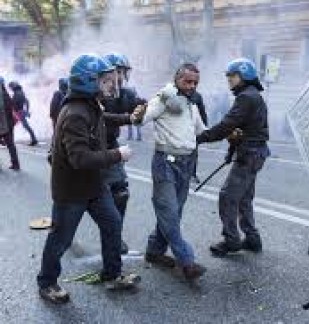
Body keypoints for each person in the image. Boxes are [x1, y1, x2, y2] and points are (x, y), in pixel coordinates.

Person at [37, 54, 142, 304]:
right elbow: (80, 159)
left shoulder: (89, 106)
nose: (111, 84)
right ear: (88, 82)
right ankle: (47, 282)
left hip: (95, 186)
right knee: (60, 239)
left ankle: (112, 275)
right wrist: (118, 154)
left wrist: (130, 118)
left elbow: (103, 120)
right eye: (105, 80)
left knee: (113, 223)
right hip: (72, 191)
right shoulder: (75, 113)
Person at [197, 58, 270, 257]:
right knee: (244, 198)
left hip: (250, 154)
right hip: (254, 153)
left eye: (233, 76)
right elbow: (240, 130)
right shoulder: (252, 95)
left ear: (244, 76)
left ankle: (231, 240)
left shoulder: (246, 97)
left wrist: (201, 138)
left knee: (227, 197)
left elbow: (228, 125)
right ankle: (252, 239)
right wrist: (231, 152)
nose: (229, 80)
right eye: (228, 76)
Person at [141, 63, 207, 280]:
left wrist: (230, 133)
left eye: (195, 82)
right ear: (177, 79)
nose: (191, 86)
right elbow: (142, 118)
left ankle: (154, 250)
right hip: (165, 163)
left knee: (173, 212)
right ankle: (186, 261)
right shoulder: (163, 98)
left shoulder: (192, 104)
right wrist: (138, 113)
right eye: (187, 81)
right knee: (169, 212)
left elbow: (201, 132)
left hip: (185, 165)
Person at [103, 52, 147, 254]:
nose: (119, 77)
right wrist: (127, 118)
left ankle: (115, 238)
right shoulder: (94, 92)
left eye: (122, 72)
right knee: (74, 203)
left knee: (120, 192)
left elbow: (142, 104)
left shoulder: (126, 94)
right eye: (116, 72)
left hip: (110, 146)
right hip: (86, 149)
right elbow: (100, 117)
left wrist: (165, 100)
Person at [8, 81, 38, 146]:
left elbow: (15, 103)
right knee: (24, 125)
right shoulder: (20, 92)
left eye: (11, 87)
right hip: (20, 112)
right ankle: (34, 139)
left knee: (23, 125)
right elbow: (26, 101)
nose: (10, 89)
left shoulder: (17, 93)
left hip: (19, 112)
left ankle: (34, 139)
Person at [0, 76, 20, 171]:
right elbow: (11, 109)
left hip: (3, 124)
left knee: (10, 145)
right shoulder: (6, 94)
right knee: (11, 145)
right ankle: (15, 164)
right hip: (8, 124)